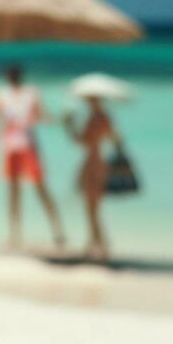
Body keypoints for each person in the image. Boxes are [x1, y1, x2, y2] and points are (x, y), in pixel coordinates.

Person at [0, 64, 66, 251]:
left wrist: (60, 120)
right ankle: (15, 235)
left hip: (28, 146)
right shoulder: (1, 95)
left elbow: (41, 116)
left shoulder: (30, 93)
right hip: (10, 147)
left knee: (40, 188)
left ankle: (57, 230)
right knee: (13, 192)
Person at [66, 94, 121, 261]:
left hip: (92, 163)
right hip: (101, 162)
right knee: (94, 208)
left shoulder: (94, 118)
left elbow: (82, 141)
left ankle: (99, 245)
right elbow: (116, 140)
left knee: (92, 208)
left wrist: (69, 125)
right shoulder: (106, 118)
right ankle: (95, 243)